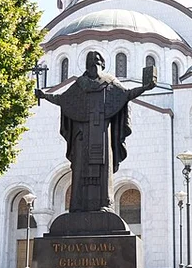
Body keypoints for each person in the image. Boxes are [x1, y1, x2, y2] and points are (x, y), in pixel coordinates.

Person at [36, 51, 156, 213]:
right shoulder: (80, 84)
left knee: (103, 168)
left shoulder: (110, 83)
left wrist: (145, 87)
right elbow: (63, 99)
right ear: (86, 65)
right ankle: (77, 206)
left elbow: (126, 95)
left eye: (97, 61)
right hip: (81, 135)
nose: (94, 64)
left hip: (102, 133)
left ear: (103, 64)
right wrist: (44, 95)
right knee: (79, 168)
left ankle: (104, 204)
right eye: (91, 62)